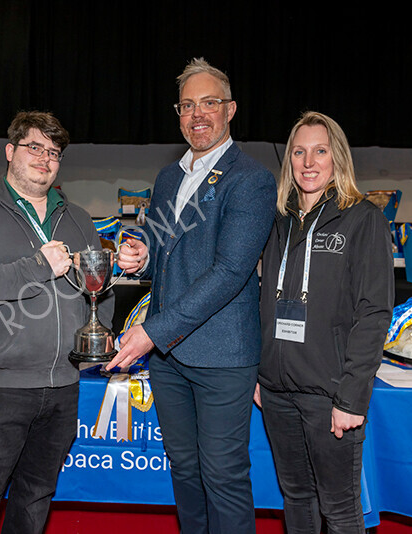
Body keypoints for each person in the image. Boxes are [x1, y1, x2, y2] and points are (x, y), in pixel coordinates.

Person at [110, 58, 277, 534]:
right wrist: (143, 256)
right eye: (187, 105)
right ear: (177, 113)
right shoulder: (168, 178)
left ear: (231, 110)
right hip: (169, 358)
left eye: (209, 103)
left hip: (223, 356)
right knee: (184, 472)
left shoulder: (251, 179)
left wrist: (152, 332)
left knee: (222, 476)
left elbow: (229, 272)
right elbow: (166, 249)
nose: (197, 114)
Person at [0, 111, 114, 534]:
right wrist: (37, 265)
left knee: (35, 500)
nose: (44, 158)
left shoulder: (77, 218)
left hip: (62, 388)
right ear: (10, 152)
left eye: (53, 152)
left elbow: (100, 289)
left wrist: (100, 331)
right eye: (34, 147)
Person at [254, 111, 394, 533]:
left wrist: (351, 399)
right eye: (299, 151)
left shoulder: (362, 218)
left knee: (340, 508)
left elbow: (374, 313)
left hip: (329, 395)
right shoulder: (277, 221)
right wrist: (259, 374)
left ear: (338, 159)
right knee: (296, 498)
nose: (308, 161)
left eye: (320, 151)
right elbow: (260, 299)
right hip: (277, 391)